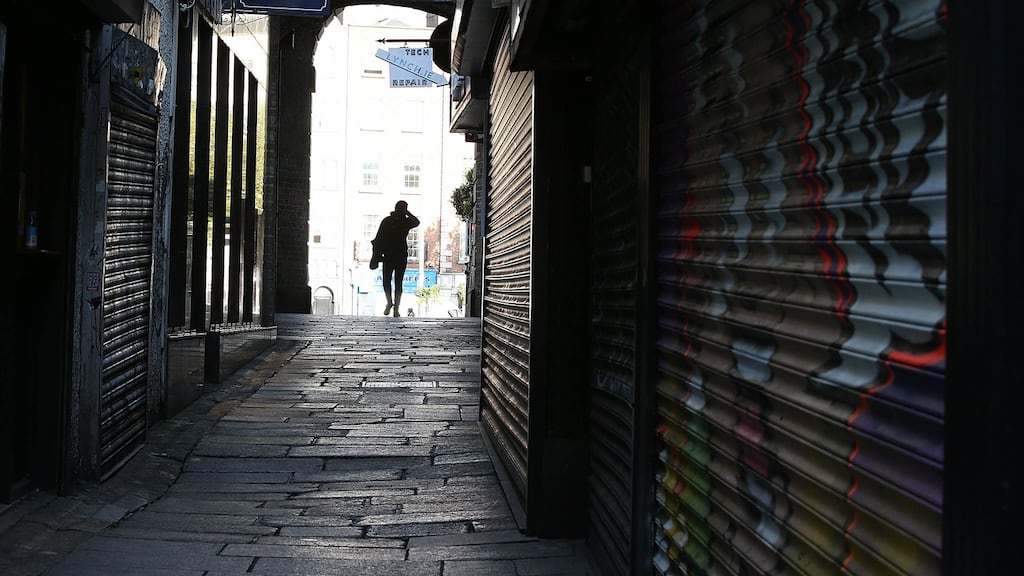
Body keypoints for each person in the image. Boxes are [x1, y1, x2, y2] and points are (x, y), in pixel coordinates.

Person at [369, 200, 420, 317]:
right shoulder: (390, 221)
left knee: (393, 281)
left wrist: (376, 256)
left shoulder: (401, 222)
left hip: (397, 255)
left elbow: (417, 222)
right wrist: (376, 257)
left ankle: (394, 306)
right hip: (392, 255)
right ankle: (392, 305)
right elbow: (378, 239)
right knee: (393, 281)